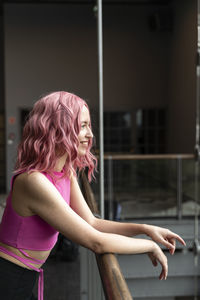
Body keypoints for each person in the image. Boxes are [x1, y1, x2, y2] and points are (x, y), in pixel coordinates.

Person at [0, 91, 186, 300]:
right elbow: (95, 241)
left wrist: (145, 229)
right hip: (8, 278)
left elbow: (91, 222)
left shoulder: (65, 171)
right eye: (82, 126)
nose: (90, 135)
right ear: (56, 129)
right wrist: (149, 246)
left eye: (89, 126)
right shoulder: (34, 181)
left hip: (24, 277)